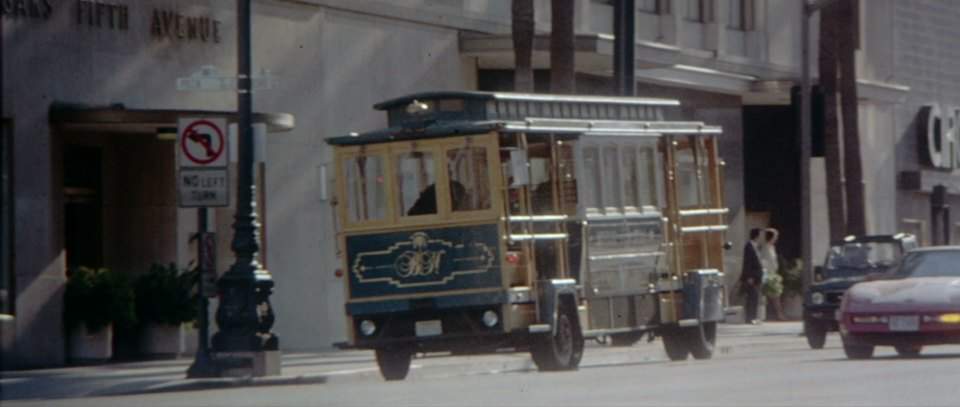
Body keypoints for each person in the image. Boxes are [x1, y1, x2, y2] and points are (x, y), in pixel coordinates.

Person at [759, 228, 786, 321]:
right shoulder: (765, 247)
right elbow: (764, 260)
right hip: (767, 274)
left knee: (775, 295)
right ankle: (778, 314)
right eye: (775, 236)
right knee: (774, 295)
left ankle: (778, 314)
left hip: (773, 273)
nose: (776, 238)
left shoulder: (772, 247)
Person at [739, 228, 765, 324]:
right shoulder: (748, 246)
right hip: (751, 277)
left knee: (755, 297)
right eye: (760, 235)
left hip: (757, 276)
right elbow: (748, 262)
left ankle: (753, 317)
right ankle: (750, 317)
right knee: (751, 297)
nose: (762, 237)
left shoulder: (756, 246)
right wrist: (749, 276)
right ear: (757, 236)